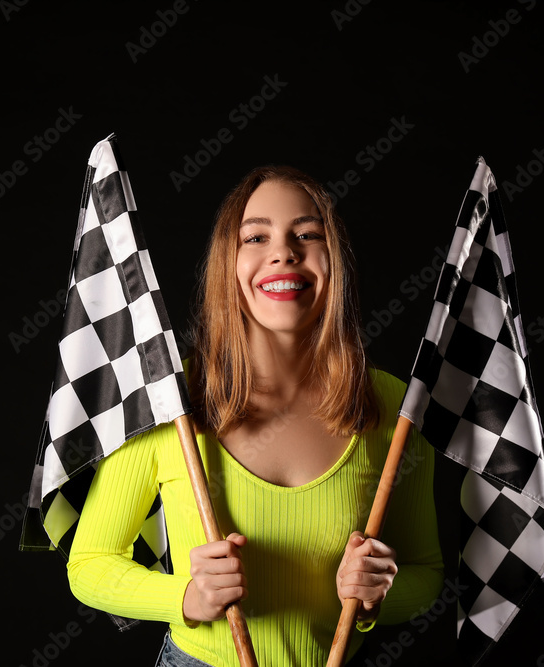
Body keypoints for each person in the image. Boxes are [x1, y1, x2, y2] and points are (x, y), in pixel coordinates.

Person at [66, 165, 443, 666]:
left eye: (307, 234)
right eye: (256, 236)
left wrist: (377, 593)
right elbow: (89, 565)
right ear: (228, 263)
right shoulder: (169, 403)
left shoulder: (395, 408)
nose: (284, 251)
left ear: (336, 261)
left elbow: (427, 572)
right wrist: (187, 598)